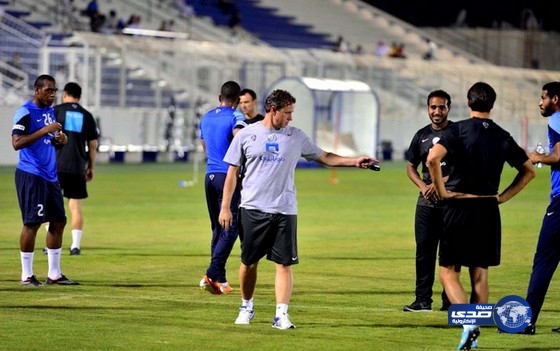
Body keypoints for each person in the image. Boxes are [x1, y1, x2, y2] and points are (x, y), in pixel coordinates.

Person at [218, 89, 378, 329]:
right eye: (287, 113)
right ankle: (246, 306)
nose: (291, 118)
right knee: (249, 263)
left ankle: (281, 315)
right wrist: (225, 208)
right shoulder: (246, 135)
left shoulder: (296, 136)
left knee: (284, 264)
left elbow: (325, 157)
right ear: (273, 111)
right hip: (252, 208)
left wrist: (354, 162)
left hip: (285, 209)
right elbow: (231, 174)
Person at [426, 81, 535, 350]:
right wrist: (502, 197)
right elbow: (529, 171)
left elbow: (432, 159)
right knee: (480, 275)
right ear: (492, 104)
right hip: (488, 210)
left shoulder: (458, 130)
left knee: (448, 272)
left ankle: (468, 325)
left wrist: (441, 190)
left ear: (468, 102)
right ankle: (472, 338)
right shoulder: (502, 135)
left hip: (460, 207)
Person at [11, 74, 79, 286]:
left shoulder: (50, 111)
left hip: (50, 176)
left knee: (59, 221)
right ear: (37, 90)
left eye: (54, 91)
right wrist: (45, 130)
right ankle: (26, 275)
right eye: (48, 90)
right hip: (31, 175)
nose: (52, 94)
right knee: (32, 223)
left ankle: (54, 274)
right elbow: (17, 142)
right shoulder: (25, 112)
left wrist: (61, 139)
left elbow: (51, 139)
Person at [404, 90, 453, 312]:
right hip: (426, 203)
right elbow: (411, 166)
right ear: (428, 108)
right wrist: (424, 186)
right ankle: (422, 300)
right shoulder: (421, 135)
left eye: (441, 107)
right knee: (424, 250)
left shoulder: (457, 133)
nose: (437, 111)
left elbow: (467, 166)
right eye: (433, 107)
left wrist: (440, 182)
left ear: (448, 109)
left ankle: (450, 301)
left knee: (450, 253)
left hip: (452, 203)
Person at [198, 80, 245, 295]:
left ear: (219, 98)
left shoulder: (206, 117)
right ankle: (211, 272)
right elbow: (239, 137)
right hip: (228, 176)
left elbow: (204, 145)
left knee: (217, 227)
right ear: (236, 101)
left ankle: (221, 279)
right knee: (230, 226)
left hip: (209, 175)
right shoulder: (236, 116)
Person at [522, 81, 560, 335]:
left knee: (544, 260)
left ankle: (526, 322)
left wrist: (537, 158)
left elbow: (558, 156)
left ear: (555, 99)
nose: (540, 102)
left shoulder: (557, 120)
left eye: (543, 97)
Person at [54, 82, 99, 256]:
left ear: (65, 94)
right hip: (77, 166)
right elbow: (93, 145)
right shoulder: (86, 115)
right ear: (79, 96)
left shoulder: (56, 111)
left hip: (56, 165)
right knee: (75, 206)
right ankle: (75, 246)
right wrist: (91, 167)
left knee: (53, 204)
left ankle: (51, 244)